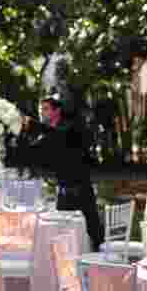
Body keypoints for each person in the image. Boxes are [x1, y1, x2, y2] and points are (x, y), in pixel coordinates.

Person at [15, 97, 104, 249]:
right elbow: (33, 153)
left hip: (81, 190)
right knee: (62, 232)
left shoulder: (69, 127)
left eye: (46, 109)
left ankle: (98, 255)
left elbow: (61, 136)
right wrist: (18, 136)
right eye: (41, 109)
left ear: (57, 111)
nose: (42, 113)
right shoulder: (49, 133)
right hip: (63, 192)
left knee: (92, 230)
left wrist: (35, 125)